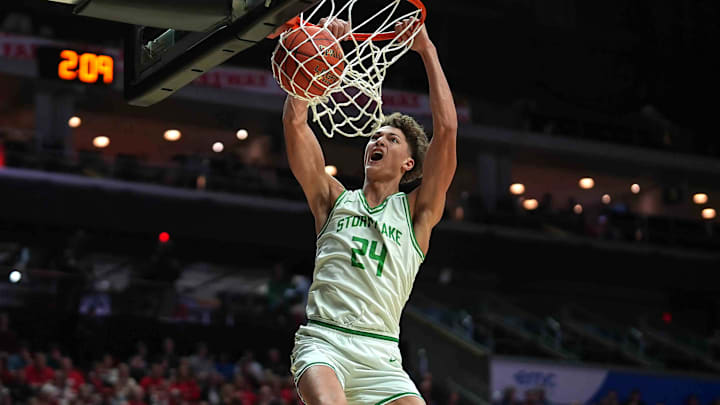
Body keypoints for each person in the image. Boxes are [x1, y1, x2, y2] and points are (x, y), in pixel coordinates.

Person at [282, 15, 457, 405]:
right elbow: (296, 123)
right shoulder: (333, 200)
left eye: (391, 139)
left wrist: (426, 50)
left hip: (382, 357)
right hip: (325, 342)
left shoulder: (417, 214)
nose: (377, 140)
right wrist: (322, 51)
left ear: (408, 164)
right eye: (375, 136)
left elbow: (446, 131)